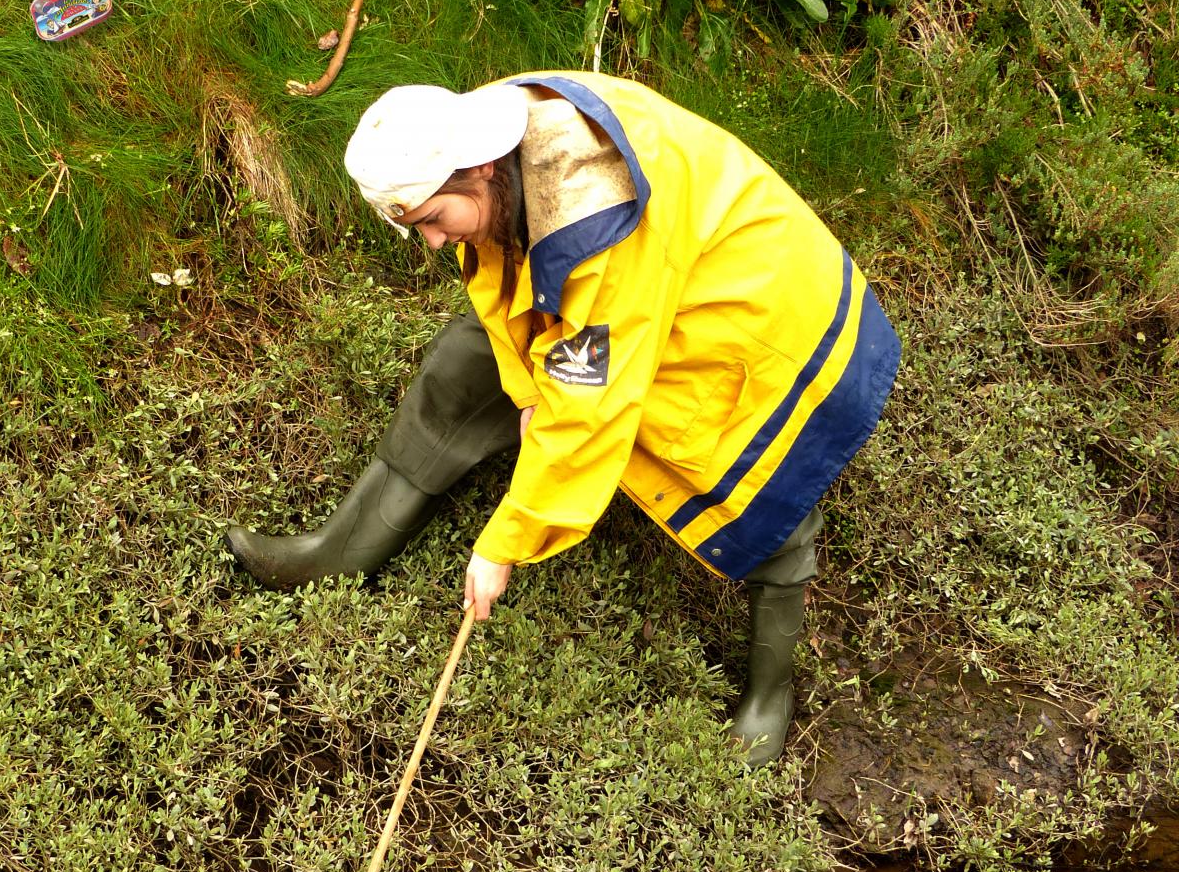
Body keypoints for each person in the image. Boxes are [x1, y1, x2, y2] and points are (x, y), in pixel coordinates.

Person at [228, 73, 900, 766]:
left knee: (755, 477)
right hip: (657, 280)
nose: (430, 243)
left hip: (761, 318)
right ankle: (337, 555)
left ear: (480, 171)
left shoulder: (596, 214)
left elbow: (587, 409)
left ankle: (769, 694)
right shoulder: (483, 139)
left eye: (431, 219)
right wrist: (524, 393)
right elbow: (491, 280)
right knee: (464, 370)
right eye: (416, 225)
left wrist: (503, 544)